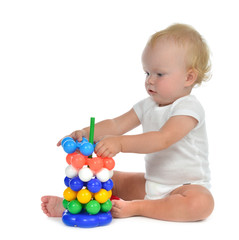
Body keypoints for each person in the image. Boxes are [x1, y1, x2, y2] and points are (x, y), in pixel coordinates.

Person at [41, 23, 214, 222]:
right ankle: (68, 205)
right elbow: (116, 124)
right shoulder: (147, 105)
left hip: (187, 188)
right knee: (103, 178)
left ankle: (137, 207)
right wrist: (83, 132)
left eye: (159, 74)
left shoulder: (188, 108)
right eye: (147, 73)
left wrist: (121, 143)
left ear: (189, 77)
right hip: (152, 184)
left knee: (201, 204)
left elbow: (163, 139)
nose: (150, 80)